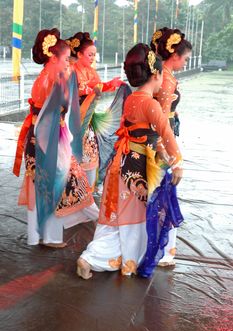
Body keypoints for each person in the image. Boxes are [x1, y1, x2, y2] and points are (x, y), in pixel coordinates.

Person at [77, 43, 184, 279]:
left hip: (124, 161)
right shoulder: (151, 103)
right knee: (136, 217)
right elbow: (166, 134)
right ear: (155, 74)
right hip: (140, 167)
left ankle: (91, 257)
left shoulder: (132, 99)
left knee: (121, 215)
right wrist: (177, 163)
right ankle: (102, 259)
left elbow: (144, 133)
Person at [13, 28, 99, 248]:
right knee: (57, 184)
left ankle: (40, 233)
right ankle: (53, 234)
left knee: (43, 184)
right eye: (66, 58)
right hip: (48, 137)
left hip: (40, 135)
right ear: (53, 58)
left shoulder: (44, 77)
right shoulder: (55, 78)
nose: (68, 62)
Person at [151, 28, 192, 266]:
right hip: (163, 142)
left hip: (164, 138)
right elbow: (162, 121)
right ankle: (164, 249)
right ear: (175, 55)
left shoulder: (163, 74)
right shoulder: (165, 80)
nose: (186, 63)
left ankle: (162, 247)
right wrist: (169, 154)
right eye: (185, 58)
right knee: (164, 193)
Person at [66, 32, 124, 190]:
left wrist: (111, 84)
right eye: (89, 55)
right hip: (74, 118)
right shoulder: (71, 70)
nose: (92, 58)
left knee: (92, 152)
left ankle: (87, 188)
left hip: (88, 117)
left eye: (94, 55)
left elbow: (98, 86)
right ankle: (75, 186)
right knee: (76, 152)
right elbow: (75, 90)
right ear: (79, 54)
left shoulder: (91, 71)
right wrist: (94, 89)